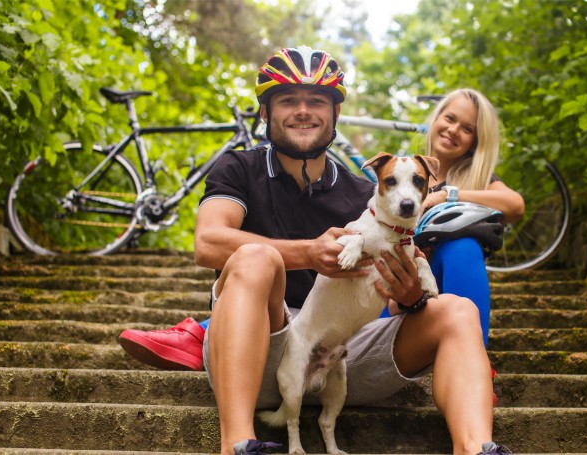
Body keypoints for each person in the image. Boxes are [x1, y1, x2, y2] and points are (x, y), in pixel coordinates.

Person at [121, 46, 510, 455]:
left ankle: (475, 448)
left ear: (335, 115)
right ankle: (236, 444)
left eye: (316, 101)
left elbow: (393, 307)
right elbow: (208, 243)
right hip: (263, 345)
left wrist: (410, 296)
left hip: (349, 348)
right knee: (257, 257)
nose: (303, 110)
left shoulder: (372, 194)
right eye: (288, 100)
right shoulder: (239, 168)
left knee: (458, 310)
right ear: (265, 114)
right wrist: (308, 253)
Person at [379, 88, 524, 348]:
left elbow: (515, 205)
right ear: (435, 119)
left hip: (441, 301)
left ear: (475, 143)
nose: (454, 130)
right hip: (390, 302)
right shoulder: (400, 174)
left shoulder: (477, 183)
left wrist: (448, 195)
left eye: (467, 129)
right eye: (449, 118)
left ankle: (474, 365)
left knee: (463, 247)